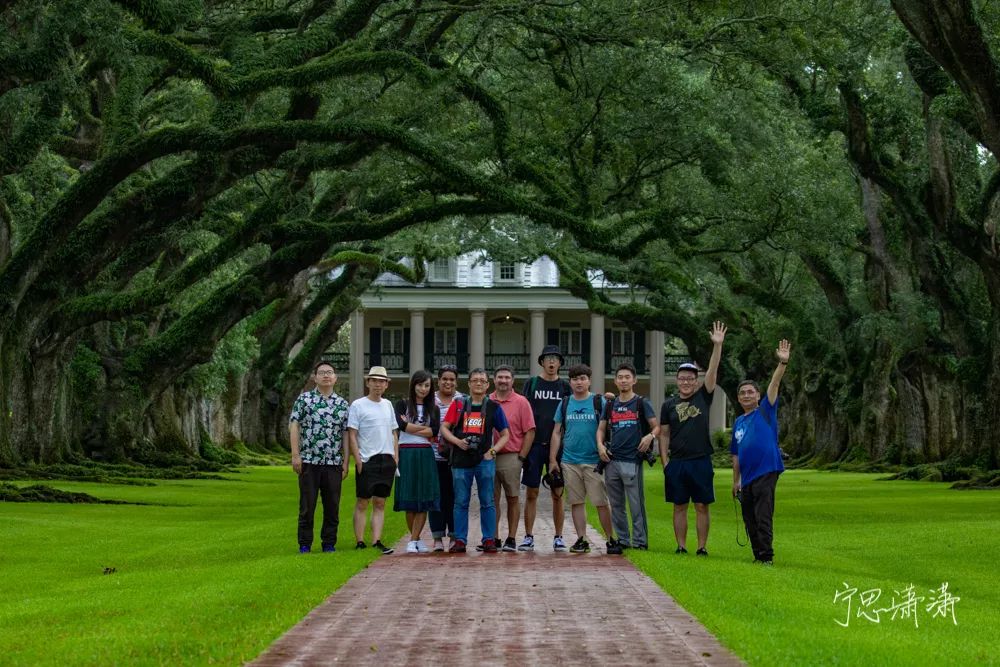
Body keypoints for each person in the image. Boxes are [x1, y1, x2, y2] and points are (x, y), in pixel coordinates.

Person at [658, 321, 727, 556]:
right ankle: (681, 546)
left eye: (690, 379)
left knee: (701, 505)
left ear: (695, 382)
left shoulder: (702, 398)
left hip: (700, 460)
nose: (686, 382)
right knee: (679, 505)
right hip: (677, 462)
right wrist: (665, 461)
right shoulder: (668, 405)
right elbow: (664, 434)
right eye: (682, 379)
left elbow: (713, 371)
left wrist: (717, 346)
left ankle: (701, 547)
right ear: (677, 381)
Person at [549, 364, 621, 554]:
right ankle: (582, 539)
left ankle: (611, 539)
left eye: (582, 378)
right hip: (569, 460)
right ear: (570, 382)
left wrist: (615, 400)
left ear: (589, 380)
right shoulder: (565, 403)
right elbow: (556, 432)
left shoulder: (600, 402)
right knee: (576, 502)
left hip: (594, 462)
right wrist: (552, 460)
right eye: (574, 379)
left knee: (601, 502)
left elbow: (613, 423)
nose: (579, 382)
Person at [731, 340, 790, 565]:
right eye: (742, 393)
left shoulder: (765, 410)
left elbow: (774, 385)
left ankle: (767, 556)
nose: (746, 396)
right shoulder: (737, 422)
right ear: (738, 399)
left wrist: (782, 363)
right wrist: (735, 481)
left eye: (750, 392)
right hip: (746, 478)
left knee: (763, 514)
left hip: (767, 471)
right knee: (749, 517)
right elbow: (735, 455)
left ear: (757, 395)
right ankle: (757, 554)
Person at [440, 368, 510, 553]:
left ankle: (488, 539)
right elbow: (444, 428)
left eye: (482, 381)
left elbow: (505, 434)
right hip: (461, 460)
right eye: (475, 380)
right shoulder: (459, 404)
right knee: (461, 501)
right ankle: (460, 540)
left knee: (487, 500)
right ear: (469, 383)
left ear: (488, 385)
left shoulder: (494, 407)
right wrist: (456, 442)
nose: (478, 383)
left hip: (484, 460)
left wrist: (493, 451)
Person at [597, 362, 659, 551]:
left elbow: (657, 426)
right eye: (620, 377)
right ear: (615, 381)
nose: (623, 380)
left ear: (634, 380)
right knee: (616, 505)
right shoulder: (610, 404)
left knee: (636, 504)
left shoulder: (641, 402)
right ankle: (623, 539)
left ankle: (640, 541)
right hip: (611, 461)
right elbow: (601, 429)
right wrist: (600, 446)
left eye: (627, 377)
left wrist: (650, 436)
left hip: (632, 460)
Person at [289, 361, 350, 553]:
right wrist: (295, 455)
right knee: (307, 505)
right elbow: (294, 426)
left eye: (329, 372)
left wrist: (346, 460)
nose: (326, 375)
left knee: (332, 505)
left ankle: (329, 543)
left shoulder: (342, 404)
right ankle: (305, 543)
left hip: (333, 463)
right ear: (315, 377)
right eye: (322, 372)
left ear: (335, 378)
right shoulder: (304, 400)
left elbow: (346, 433)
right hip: (309, 461)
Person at [519, 345, 572, 551]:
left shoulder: (565, 387)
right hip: (533, 446)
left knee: (557, 493)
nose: (551, 362)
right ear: (542, 361)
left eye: (555, 359)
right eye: (548, 358)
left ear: (560, 363)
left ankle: (559, 536)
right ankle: (528, 536)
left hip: (557, 447)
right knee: (531, 492)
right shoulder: (531, 384)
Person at [347, 366, 399, 555]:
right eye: (374, 381)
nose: (378, 384)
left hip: (387, 459)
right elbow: (352, 433)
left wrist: (396, 456)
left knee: (380, 502)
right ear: (368, 382)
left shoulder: (387, 405)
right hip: (367, 458)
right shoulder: (358, 405)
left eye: (382, 381)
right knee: (363, 501)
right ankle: (360, 541)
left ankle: (376, 540)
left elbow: (394, 431)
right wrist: (358, 459)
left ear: (386, 385)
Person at [488, 364, 536, 552]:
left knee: (512, 498)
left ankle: (511, 538)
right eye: (500, 377)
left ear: (513, 381)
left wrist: (521, 456)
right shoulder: (487, 400)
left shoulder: (521, 402)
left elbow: (530, 431)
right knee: (491, 500)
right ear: (494, 380)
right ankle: (493, 538)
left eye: (507, 377)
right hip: (488, 456)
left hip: (511, 456)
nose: (503, 381)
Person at [393, 370, 441, 554]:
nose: (423, 389)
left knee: (424, 496)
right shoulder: (402, 404)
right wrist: (424, 429)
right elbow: (401, 426)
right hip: (406, 452)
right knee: (409, 496)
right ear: (413, 385)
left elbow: (434, 432)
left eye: (427, 385)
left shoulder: (433, 409)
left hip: (425, 453)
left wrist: (412, 427)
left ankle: (414, 539)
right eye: (420, 384)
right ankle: (415, 540)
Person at [428, 365, 462, 551]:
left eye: (452, 379)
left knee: (455, 497)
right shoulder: (429, 400)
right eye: (444, 379)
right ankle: (437, 537)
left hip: (456, 458)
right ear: (438, 380)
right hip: (433, 456)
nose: (448, 382)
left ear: (456, 382)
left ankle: (454, 536)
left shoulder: (462, 400)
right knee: (436, 497)